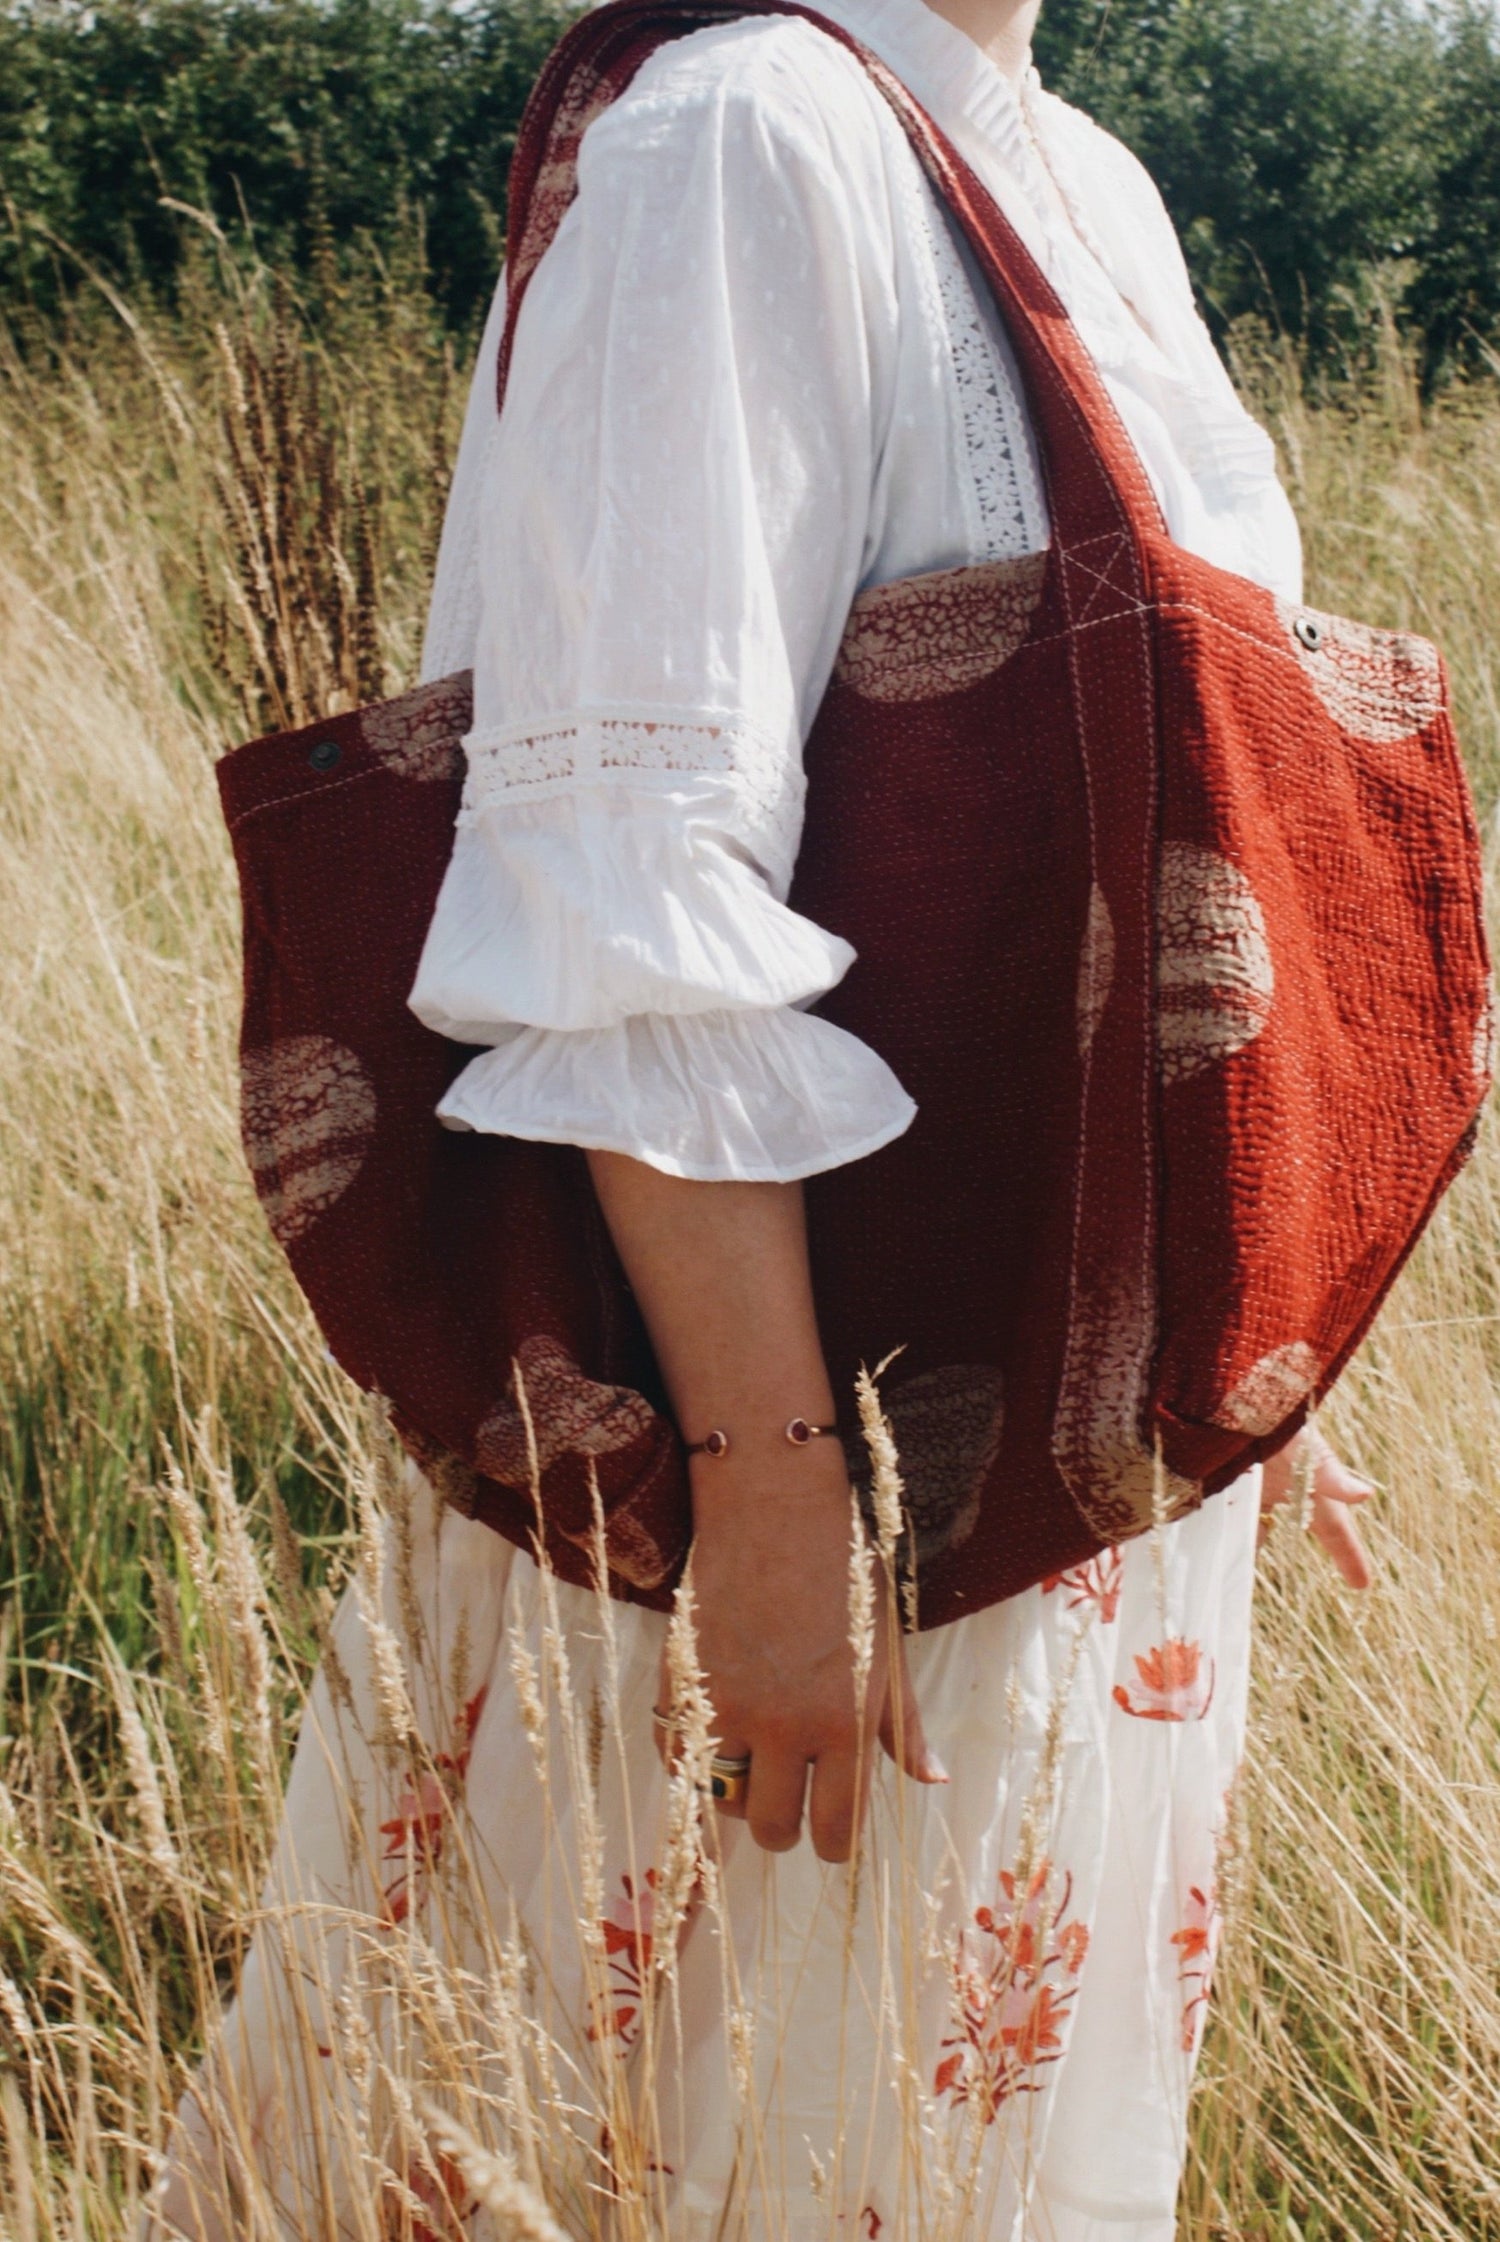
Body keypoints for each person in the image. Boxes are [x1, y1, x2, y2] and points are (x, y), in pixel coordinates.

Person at [151, 0, 1377, 2232]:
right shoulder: (749, 133)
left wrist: (1248, 1331)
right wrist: (770, 1478)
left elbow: (1192, 823)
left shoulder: (1078, 174)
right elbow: (628, 872)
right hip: (819, 1439)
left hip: (1071, 1465)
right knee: (682, 2130)